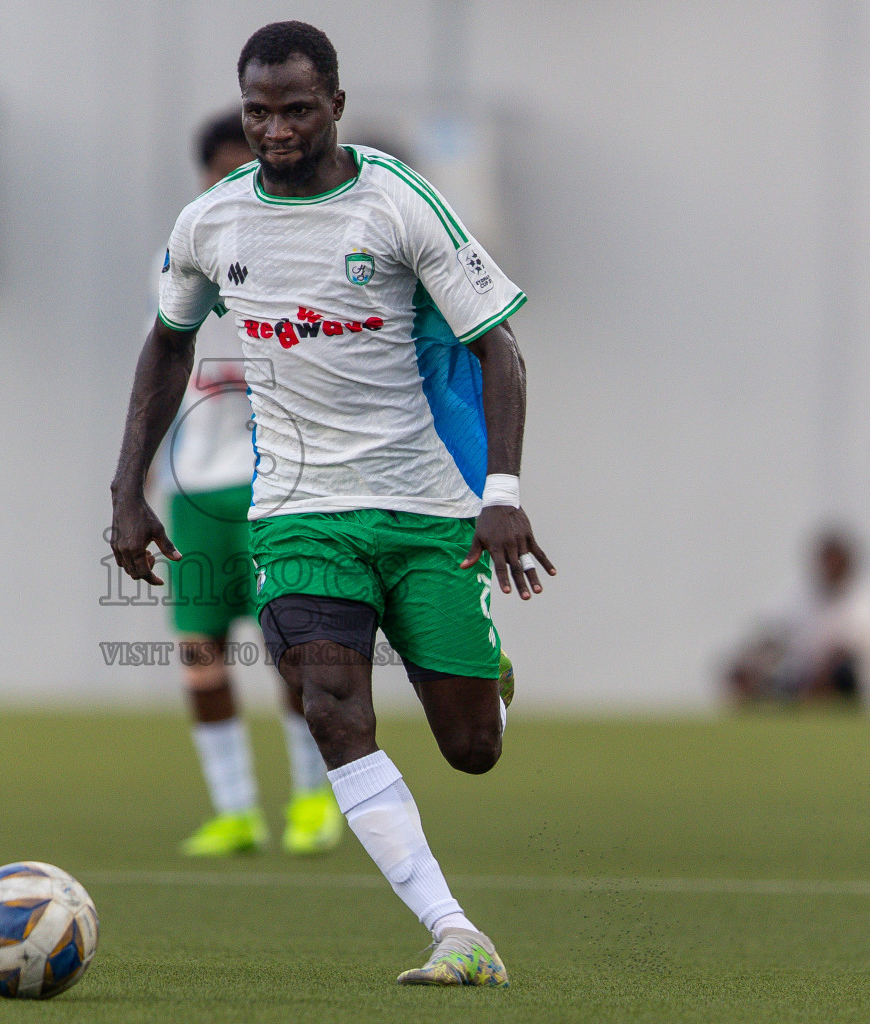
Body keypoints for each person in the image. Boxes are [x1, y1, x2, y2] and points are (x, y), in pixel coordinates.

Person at [111, 21, 554, 987]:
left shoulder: (397, 205)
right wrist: (127, 490)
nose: (275, 128)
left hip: (426, 507)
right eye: (259, 110)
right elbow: (167, 342)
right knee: (330, 706)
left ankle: (486, 680)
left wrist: (503, 494)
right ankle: (454, 931)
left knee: (470, 748)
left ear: (336, 105)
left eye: (297, 108)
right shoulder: (212, 223)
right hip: (298, 511)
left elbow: (497, 345)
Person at [157, 110, 343, 859]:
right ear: (206, 176)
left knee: (290, 651)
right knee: (200, 649)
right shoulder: (182, 249)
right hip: (197, 488)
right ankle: (235, 809)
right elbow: (161, 362)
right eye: (228, 169)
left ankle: (310, 802)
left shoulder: (298, 250)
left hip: (279, 483)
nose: (243, 180)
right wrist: (136, 480)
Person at [725, 527, 870, 706]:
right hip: (804, 678)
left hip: (853, 686)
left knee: (844, 670)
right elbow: (772, 634)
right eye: (827, 561)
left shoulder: (867, 599)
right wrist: (750, 663)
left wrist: (817, 683)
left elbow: (847, 651)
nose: (830, 568)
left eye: (836, 561)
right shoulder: (800, 596)